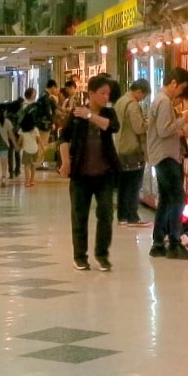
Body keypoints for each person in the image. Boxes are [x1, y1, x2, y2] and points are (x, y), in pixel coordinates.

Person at [60, 74, 121, 271]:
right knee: (79, 215)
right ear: (91, 93)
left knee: (106, 214)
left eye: (108, 94)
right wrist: (65, 161)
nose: (106, 97)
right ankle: (80, 256)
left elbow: (111, 127)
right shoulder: (75, 115)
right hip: (80, 175)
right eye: (102, 93)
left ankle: (102, 255)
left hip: (105, 174)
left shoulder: (108, 113)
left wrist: (89, 116)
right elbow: (64, 138)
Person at [148, 67, 188, 259]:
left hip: (160, 155)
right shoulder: (165, 101)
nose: (180, 92)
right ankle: (175, 241)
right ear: (174, 83)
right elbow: (164, 130)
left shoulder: (159, 100)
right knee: (178, 198)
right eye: (181, 87)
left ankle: (158, 242)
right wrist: (182, 120)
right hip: (166, 156)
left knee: (166, 199)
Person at [112, 79, 150, 225]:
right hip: (132, 149)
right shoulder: (133, 105)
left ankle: (122, 216)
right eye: (144, 96)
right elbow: (138, 127)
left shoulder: (121, 101)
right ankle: (132, 216)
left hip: (120, 147)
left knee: (123, 185)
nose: (143, 99)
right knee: (134, 184)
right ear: (139, 91)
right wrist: (149, 122)